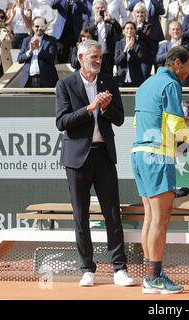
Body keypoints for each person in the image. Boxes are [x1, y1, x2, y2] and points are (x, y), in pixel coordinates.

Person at [55, 39, 135, 287]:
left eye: (100, 57)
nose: (98, 62)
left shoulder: (109, 82)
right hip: (77, 158)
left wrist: (107, 108)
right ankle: (87, 269)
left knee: (113, 213)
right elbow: (62, 122)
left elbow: (119, 119)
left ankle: (119, 269)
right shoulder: (65, 84)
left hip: (104, 155)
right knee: (81, 215)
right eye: (94, 58)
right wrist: (90, 108)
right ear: (80, 58)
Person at [132, 45, 189, 294]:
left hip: (139, 155)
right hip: (157, 157)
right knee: (160, 219)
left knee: (150, 217)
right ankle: (154, 278)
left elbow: (144, 123)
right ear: (176, 62)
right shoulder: (171, 85)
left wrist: (179, 127)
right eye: (188, 66)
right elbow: (177, 127)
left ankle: (151, 275)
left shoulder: (146, 85)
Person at [17, 16, 59, 88]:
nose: (39, 28)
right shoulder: (26, 40)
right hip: (28, 80)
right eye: (37, 26)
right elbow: (19, 59)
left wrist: (38, 48)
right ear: (33, 27)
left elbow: (52, 58)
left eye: (42, 26)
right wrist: (30, 51)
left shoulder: (51, 40)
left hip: (46, 80)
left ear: (45, 27)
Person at [82, 0, 122, 75]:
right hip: (93, 54)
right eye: (97, 8)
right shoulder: (88, 23)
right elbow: (86, 33)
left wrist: (112, 20)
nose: (99, 10)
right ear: (93, 10)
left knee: (107, 77)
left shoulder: (109, 22)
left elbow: (119, 31)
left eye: (102, 8)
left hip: (107, 56)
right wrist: (95, 23)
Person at [114, 21, 146, 87]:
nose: (129, 30)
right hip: (121, 77)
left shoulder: (140, 44)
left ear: (135, 31)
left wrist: (131, 50)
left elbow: (139, 61)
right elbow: (117, 61)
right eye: (127, 28)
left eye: (131, 28)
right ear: (124, 31)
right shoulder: (119, 44)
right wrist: (125, 51)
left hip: (136, 78)